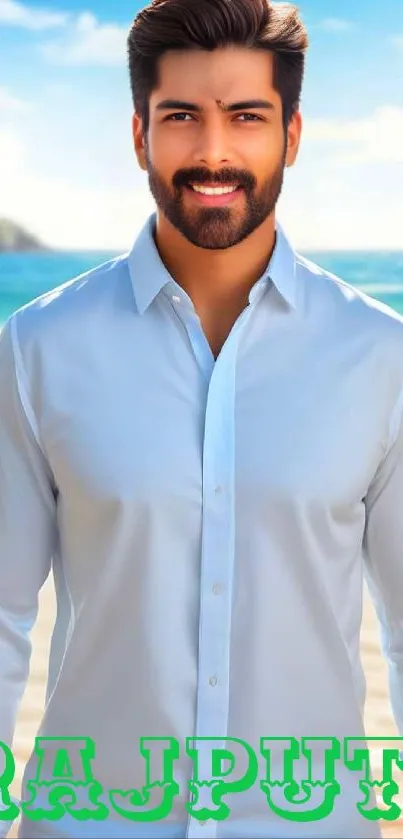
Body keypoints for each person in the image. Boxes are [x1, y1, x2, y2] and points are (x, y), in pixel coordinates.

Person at [1, 0, 403, 836]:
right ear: (140, 135)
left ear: (290, 135)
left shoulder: (381, 356)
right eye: (181, 116)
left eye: (245, 117)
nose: (213, 152)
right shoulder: (38, 347)